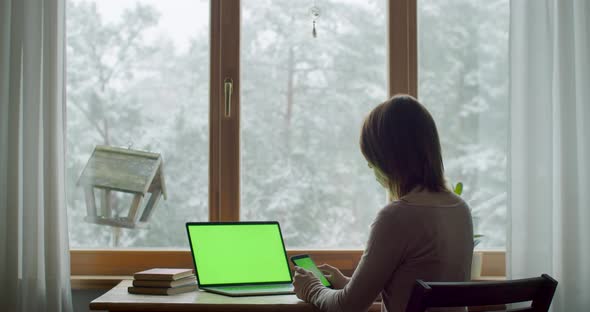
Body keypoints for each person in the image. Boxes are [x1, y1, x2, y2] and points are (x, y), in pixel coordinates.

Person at [293, 94, 474, 312]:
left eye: (372, 162)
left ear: (388, 159)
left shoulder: (397, 216)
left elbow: (347, 307)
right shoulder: (460, 210)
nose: (372, 170)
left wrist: (311, 288)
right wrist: (352, 285)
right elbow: (413, 286)